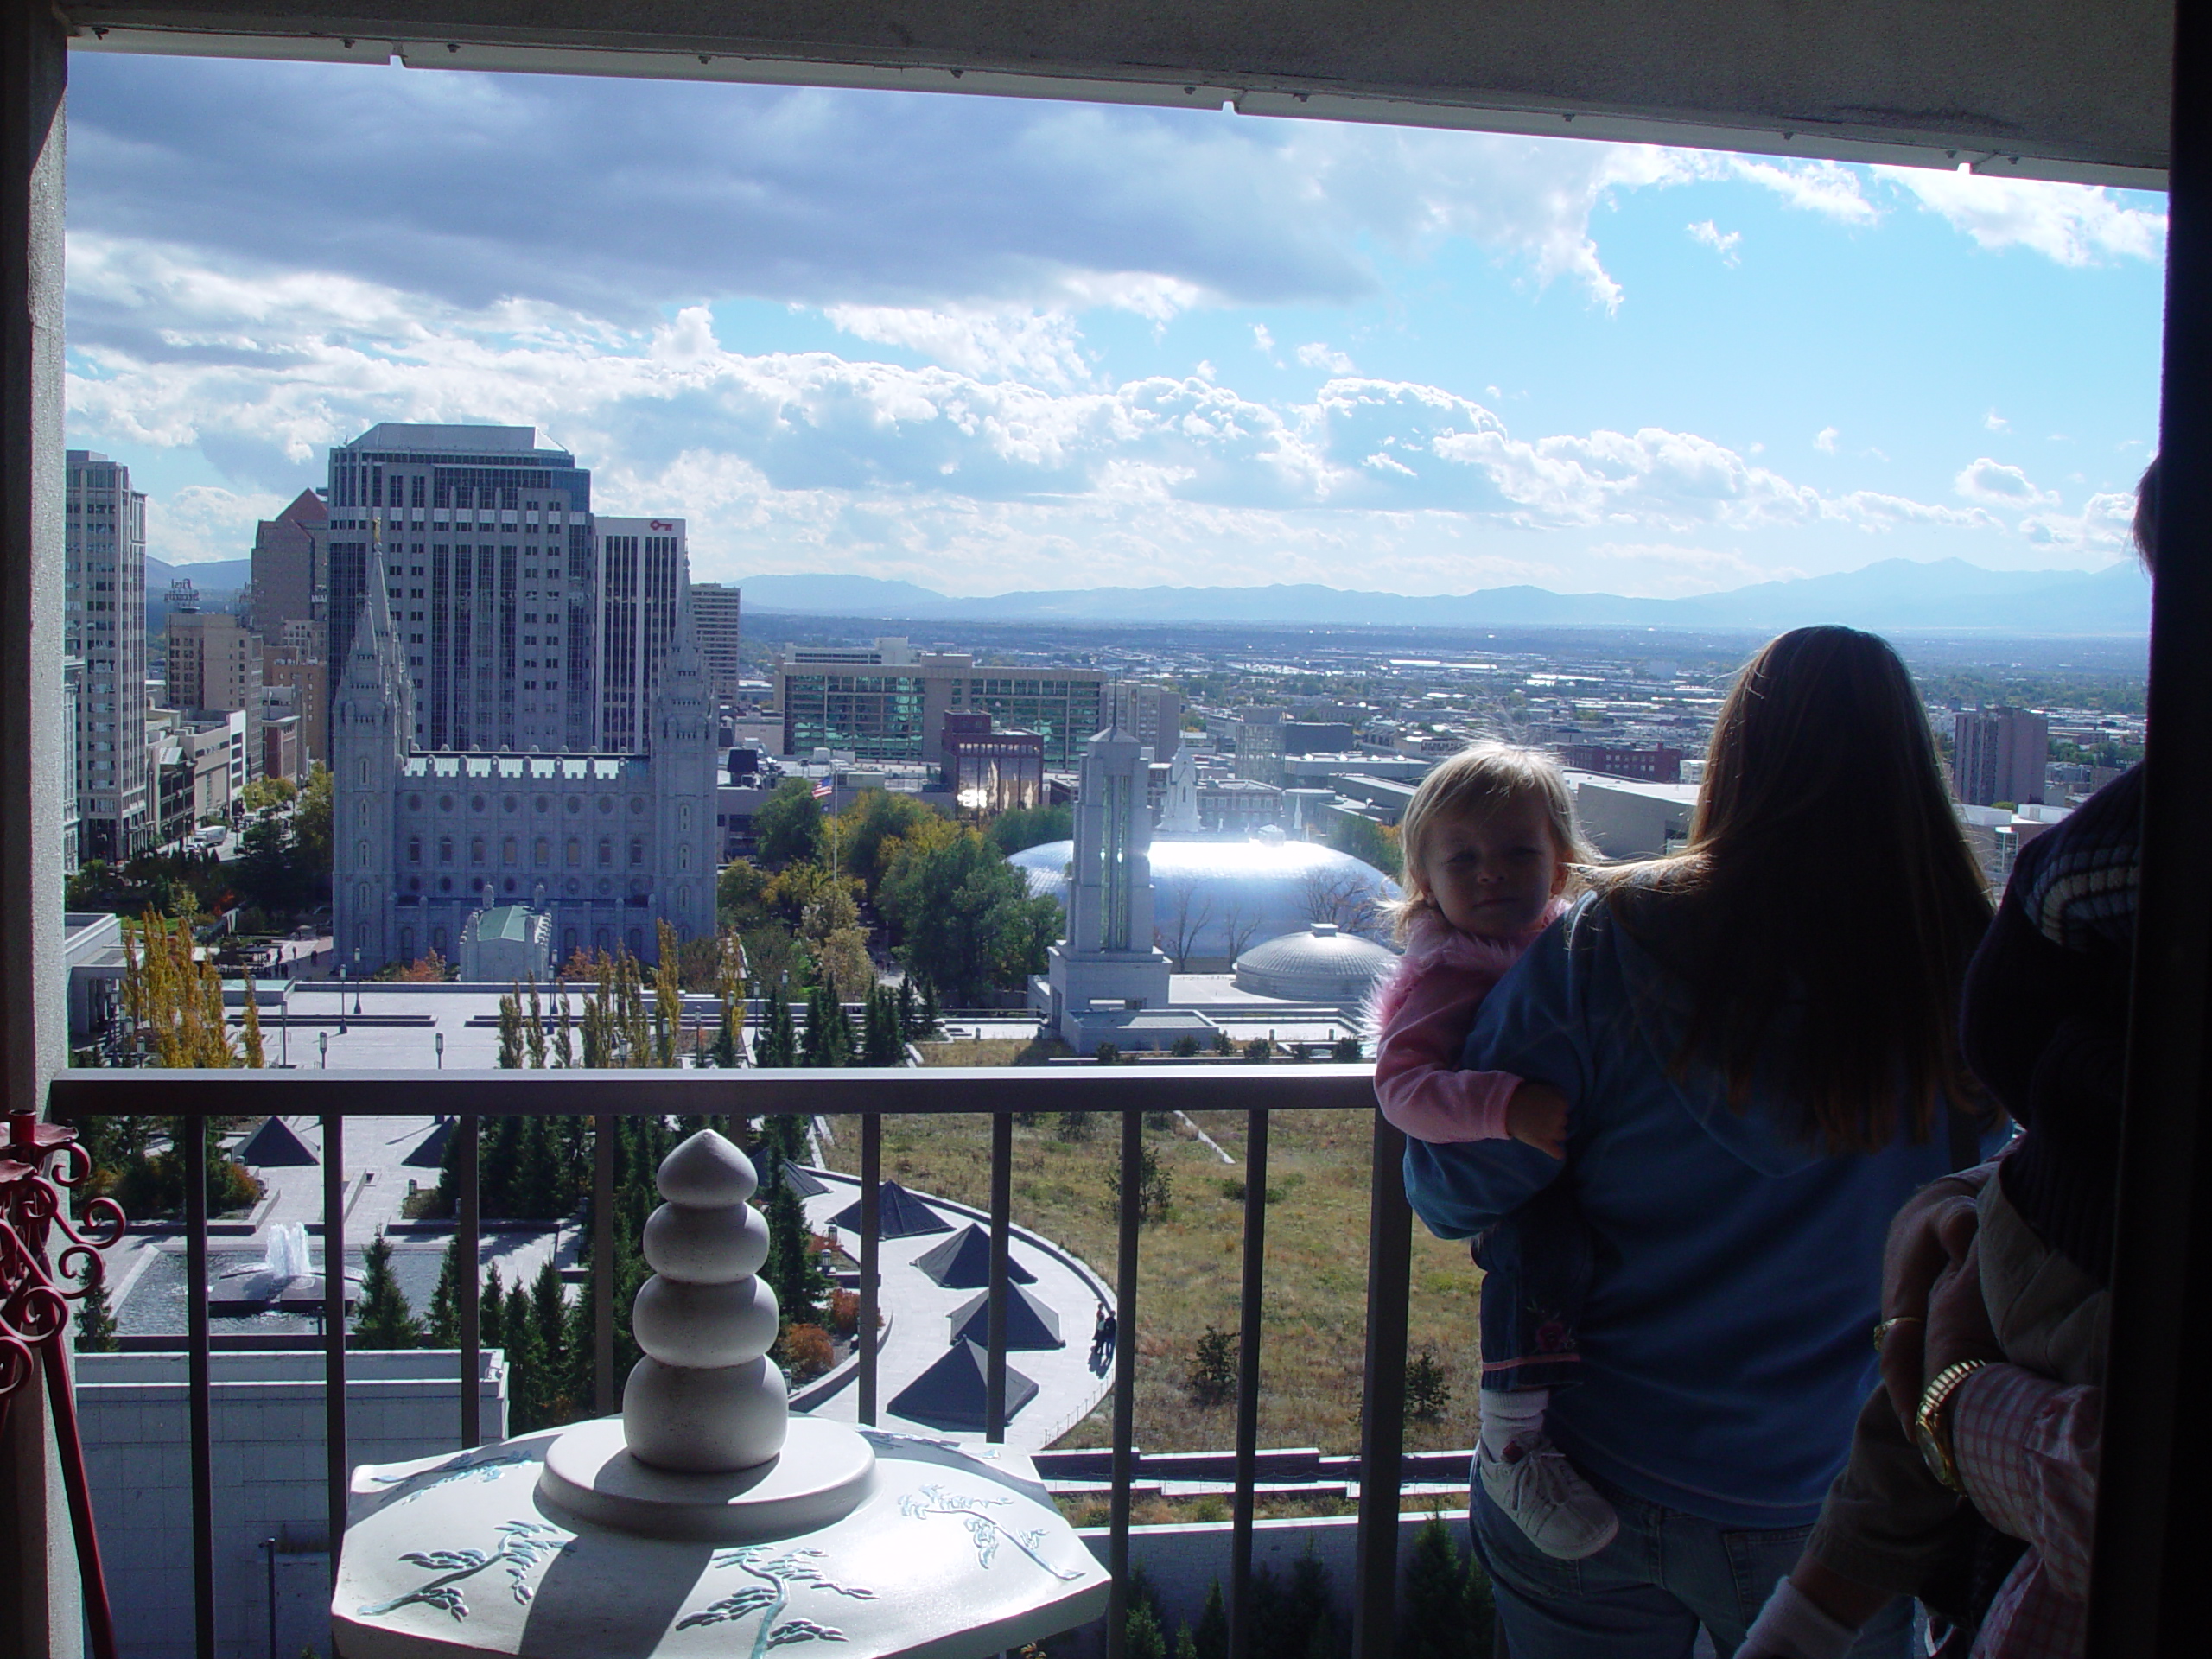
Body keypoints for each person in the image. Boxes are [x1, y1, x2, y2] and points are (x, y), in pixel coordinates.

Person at [1405, 626, 1997, 1657]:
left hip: (1584, 1476)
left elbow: (1454, 1193)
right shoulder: (1968, 974)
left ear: (1735, 755)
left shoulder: (1609, 939)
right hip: (1836, 1506)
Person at [1741, 462, 2155, 1659]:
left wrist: (1951, 1387)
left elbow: (1471, 1187)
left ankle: (1809, 1614)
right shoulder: (1955, 930)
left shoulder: (1609, 952)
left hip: (1647, 1464)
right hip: (1857, 1468)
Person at [1368, 742, 1613, 1558]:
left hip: (1551, 1171)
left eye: (1519, 852)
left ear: (1561, 864)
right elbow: (1402, 1088)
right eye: (1462, 858)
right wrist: (1504, 1109)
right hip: (1504, 1183)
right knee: (1536, 1258)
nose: (1491, 874)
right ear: (1425, 884)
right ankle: (1510, 1437)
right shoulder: (1449, 970)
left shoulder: (1563, 945)